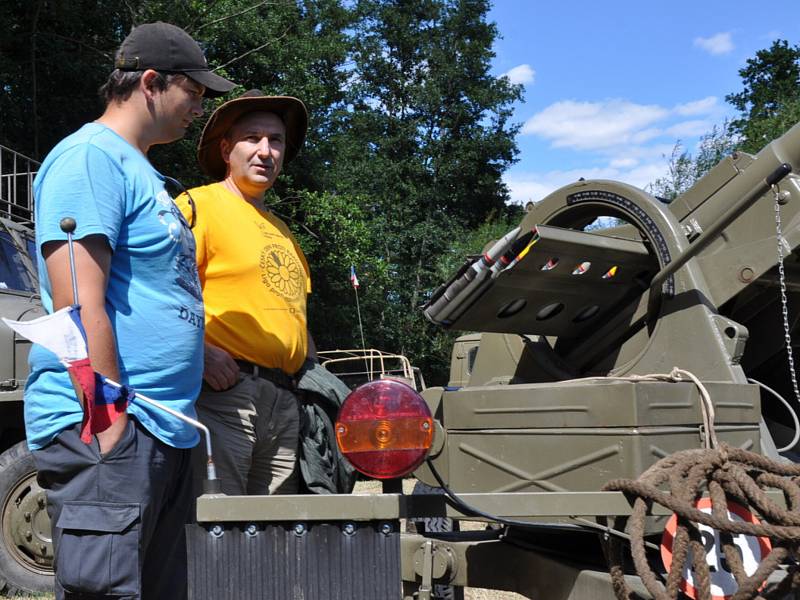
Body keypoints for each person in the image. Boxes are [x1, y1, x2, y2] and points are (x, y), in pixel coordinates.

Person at [26, 22, 235, 600]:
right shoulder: (89, 159)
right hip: (114, 427)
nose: (199, 107)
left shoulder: (143, 170)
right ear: (150, 82)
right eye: (193, 92)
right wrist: (109, 419)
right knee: (108, 592)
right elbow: (76, 305)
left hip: (164, 428)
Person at [176, 90, 312, 496]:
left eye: (276, 140)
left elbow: (295, 318)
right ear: (225, 149)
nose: (265, 151)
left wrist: (318, 385)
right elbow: (158, 292)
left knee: (278, 532)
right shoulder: (196, 206)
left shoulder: (284, 232)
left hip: (286, 401)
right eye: (252, 138)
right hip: (223, 395)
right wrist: (197, 353)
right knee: (217, 528)